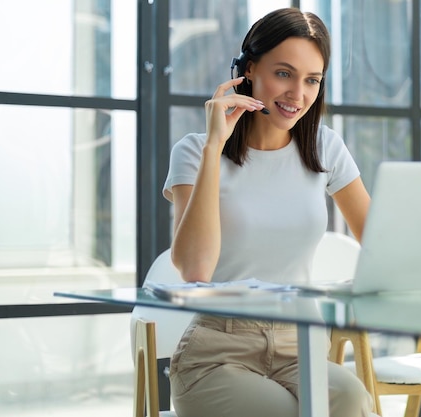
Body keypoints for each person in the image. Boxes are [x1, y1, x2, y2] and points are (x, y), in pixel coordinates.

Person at [163, 7, 373, 417]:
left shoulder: (325, 147)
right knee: (286, 411)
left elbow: (381, 242)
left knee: (351, 399)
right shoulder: (194, 150)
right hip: (218, 350)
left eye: (312, 80)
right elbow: (194, 267)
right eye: (284, 73)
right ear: (248, 69)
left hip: (303, 345)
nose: (298, 93)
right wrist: (214, 147)